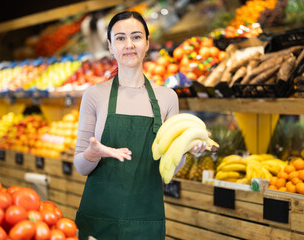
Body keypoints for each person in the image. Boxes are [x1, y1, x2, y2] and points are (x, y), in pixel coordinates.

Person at [74, 11, 207, 239]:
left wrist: (184, 151)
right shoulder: (94, 95)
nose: (129, 45)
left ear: (147, 43)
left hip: (145, 222)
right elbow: (80, 166)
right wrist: (93, 153)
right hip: (98, 221)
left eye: (136, 37)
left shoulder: (167, 98)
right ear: (110, 46)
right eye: (120, 38)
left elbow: (167, 171)